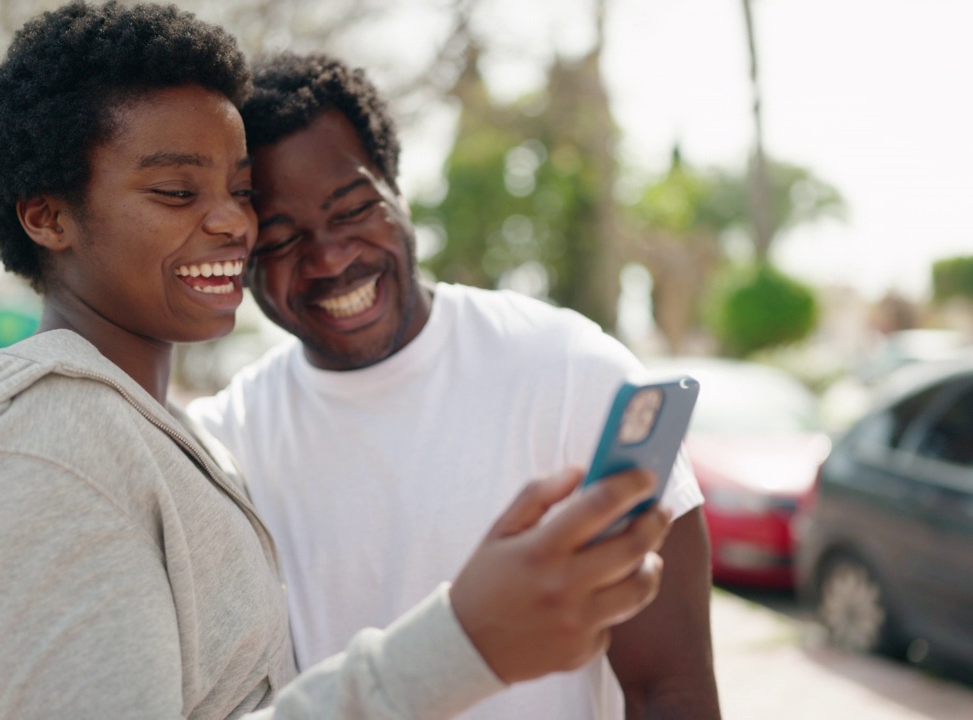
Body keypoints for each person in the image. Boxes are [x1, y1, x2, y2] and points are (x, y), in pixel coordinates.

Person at [0, 4, 674, 718]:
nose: (232, 223)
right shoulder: (41, 451)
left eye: (238, 190)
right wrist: (462, 646)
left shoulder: (151, 432)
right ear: (47, 217)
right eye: (178, 192)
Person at [188, 53, 722, 719]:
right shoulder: (226, 444)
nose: (328, 257)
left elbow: (669, 690)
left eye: (353, 209)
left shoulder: (570, 372)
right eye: (281, 239)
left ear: (397, 192)